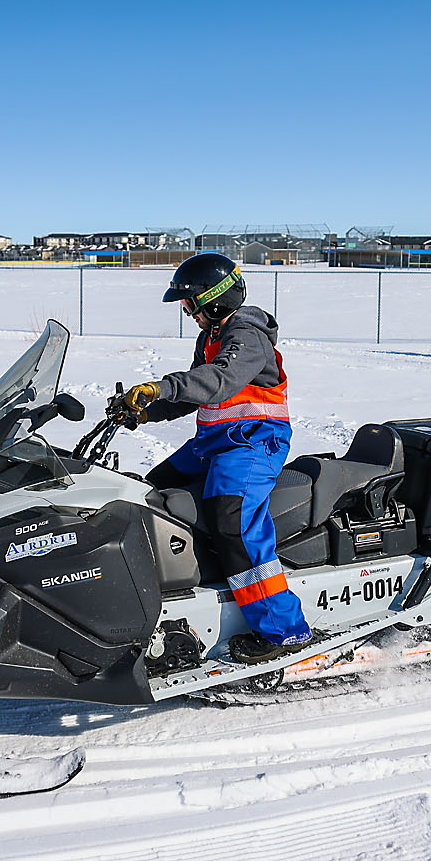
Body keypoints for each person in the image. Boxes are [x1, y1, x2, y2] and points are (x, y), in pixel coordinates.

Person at [116, 253, 314, 664]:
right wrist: (144, 410)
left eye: (190, 304)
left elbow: (219, 381)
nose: (188, 313)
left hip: (254, 443)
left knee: (233, 523)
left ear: (216, 299)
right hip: (215, 442)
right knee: (154, 492)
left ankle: (283, 630)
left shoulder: (247, 335)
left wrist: (160, 387)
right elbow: (195, 394)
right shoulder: (212, 336)